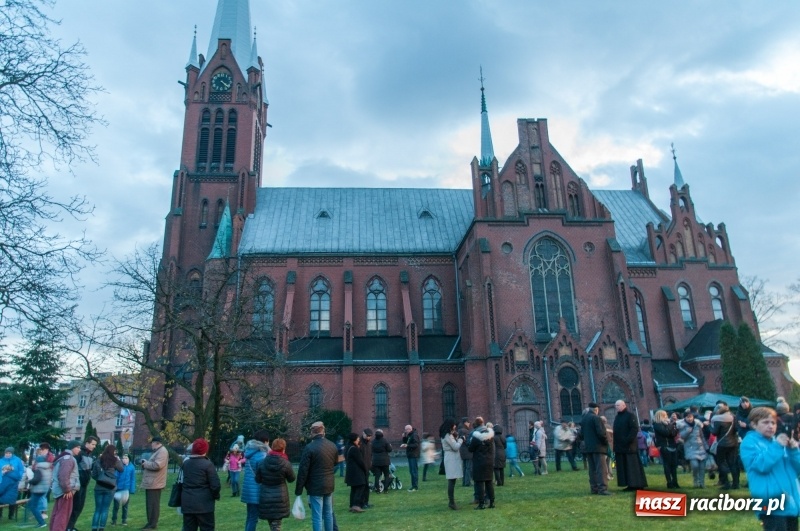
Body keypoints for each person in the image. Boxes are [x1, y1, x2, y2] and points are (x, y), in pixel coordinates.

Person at [741, 407, 800, 531]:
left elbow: (797, 468)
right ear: (753, 424)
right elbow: (761, 465)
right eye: (765, 422)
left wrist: (794, 451)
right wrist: (777, 446)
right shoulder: (749, 443)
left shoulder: (777, 442)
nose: (770, 426)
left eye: (773, 423)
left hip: (790, 501)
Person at [295, 421, 338, 531]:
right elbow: (335, 463)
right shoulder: (332, 445)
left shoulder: (309, 448)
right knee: (328, 513)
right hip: (329, 484)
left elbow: (303, 471)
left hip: (315, 486)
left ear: (312, 432)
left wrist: (298, 490)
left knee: (317, 516)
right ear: (323, 431)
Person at [255, 438, 295, 531]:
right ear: (283, 449)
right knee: (276, 524)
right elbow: (291, 479)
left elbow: (257, 479)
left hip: (266, 496)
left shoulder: (262, 462)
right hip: (280, 497)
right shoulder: (285, 463)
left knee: (273, 524)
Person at [181, 438, 221, 531]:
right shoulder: (207, 464)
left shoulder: (186, 464)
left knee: (188, 528)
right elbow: (215, 485)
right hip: (204, 504)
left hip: (188, 502)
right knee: (207, 527)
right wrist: (215, 495)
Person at [612, 400, 648, 491]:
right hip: (620, 446)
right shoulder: (617, 417)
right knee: (624, 466)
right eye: (615, 405)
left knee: (632, 466)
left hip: (629, 446)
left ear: (624, 405)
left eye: (618, 405)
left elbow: (634, 429)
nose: (616, 407)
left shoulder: (630, 416)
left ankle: (637, 484)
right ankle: (630, 484)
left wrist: (627, 440)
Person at [67, 435, 98, 531]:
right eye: (93, 444)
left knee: (80, 507)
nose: (94, 446)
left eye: (95, 445)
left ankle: (71, 526)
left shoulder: (90, 455)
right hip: (78, 485)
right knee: (75, 507)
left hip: (84, 485)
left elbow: (89, 469)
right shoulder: (80, 453)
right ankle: (68, 527)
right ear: (87, 443)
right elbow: (73, 468)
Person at [90, 444, 124, 531]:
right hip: (110, 487)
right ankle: (101, 527)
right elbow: (121, 469)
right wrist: (119, 460)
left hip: (99, 486)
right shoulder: (115, 460)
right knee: (105, 508)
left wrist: (100, 479)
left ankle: (94, 527)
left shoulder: (99, 460)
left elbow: (93, 474)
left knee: (97, 509)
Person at [242, 429, 270, 531]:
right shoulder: (262, 454)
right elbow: (263, 473)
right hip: (256, 489)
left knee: (250, 516)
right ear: (265, 441)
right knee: (253, 518)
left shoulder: (250, 451)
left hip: (248, 489)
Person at [50, 441, 82, 531]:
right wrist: (67, 490)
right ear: (72, 447)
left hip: (61, 490)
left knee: (57, 514)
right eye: (78, 447)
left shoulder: (64, 457)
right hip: (65, 492)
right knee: (62, 516)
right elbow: (63, 476)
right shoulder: (68, 459)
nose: (79, 450)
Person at [580, 402, 611, 496]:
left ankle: (594, 488)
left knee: (592, 469)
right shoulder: (596, 418)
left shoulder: (584, 419)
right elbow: (601, 433)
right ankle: (603, 489)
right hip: (598, 447)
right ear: (596, 410)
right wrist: (606, 442)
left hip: (589, 447)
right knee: (601, 469)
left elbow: (581, 435)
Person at [140, 435, 169, 530]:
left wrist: (146, 464)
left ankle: (152, 524)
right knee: (151, 504)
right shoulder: (159, 451)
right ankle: (150, 523)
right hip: (153, 482)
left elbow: (157, 465)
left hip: (155, 483)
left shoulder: (162, 451)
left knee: (153, 505)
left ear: (156, 443)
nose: (151, 445)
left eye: (152, 443)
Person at [710, 402, 740, 490]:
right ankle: (735, 484)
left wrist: (709, 427)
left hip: (722, 444)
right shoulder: (733, 417)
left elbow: (715, 432)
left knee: (721, 463)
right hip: (733, 443)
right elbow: (736, 429)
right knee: (732, 463)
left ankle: (726, 483)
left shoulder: (717, 419)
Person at [468, 416, 495, 510]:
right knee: (489, 482)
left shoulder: (475, 436)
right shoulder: (491, 435)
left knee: (479, 483)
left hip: (479, 461)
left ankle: (481, 503)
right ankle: (492, 502)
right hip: (489, 460)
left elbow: (470, 449)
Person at [678, 410, 708, 488]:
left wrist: (706, 447)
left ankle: (702, 483)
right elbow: (682, 436)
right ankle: (695, 480)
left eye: (691, 417)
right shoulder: (682, 426)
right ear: (685, 418)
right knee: (695, 466)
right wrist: (687, 431)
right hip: (690, 448)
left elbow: (702, 436)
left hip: (700, 447)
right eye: (688, 417)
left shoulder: (698, 425)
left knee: (702, 467)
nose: (690, 419)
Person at [439, 419, 463, 510]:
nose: (455, 427)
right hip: (451, 458)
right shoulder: (447, 435)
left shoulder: (447, 435)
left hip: (451, 457)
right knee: (451, 480)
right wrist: (461, 440)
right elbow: (455, 447)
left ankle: (452, 501)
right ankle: (451, 502)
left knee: (452, 480)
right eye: (453, 425)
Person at [653, 410, 680, 488]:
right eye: (665, 415)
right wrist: (671, 426)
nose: (667, 417)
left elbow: (673, 434)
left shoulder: (667, 424)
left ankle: (675, 481)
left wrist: (674, 429)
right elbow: (665, 433)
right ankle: (669, 482)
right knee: (667, 464)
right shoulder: (657, 424)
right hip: (664, 446)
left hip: (672, 445)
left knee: (674, 465)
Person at [28, 450, 53, 528]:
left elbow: (36, 480)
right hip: (44, 489)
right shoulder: (48, 468)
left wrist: (29, 481)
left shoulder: (39, 469)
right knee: (34, 505)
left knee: (32, 506)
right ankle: (41, 520)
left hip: (37, 490)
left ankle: (41, 522)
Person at [344, 433, 367, 513]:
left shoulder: (348, 447)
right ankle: (356, 505)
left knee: (354, 489)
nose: (359, 440)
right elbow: (360, 461)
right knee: (360, 487)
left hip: (351, 472)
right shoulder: (354, 449)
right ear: (354, 439)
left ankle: (352, 505)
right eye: (357, 439)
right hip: (356, 472)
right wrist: (365, 469)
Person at [0, 447, 25, 521]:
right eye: (6, 453)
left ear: (12, 453)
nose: (7, 454)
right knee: (1, 496)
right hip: (2, 481)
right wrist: (2, 473)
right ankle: (0, 515)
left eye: (9, 453)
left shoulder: (17, 460)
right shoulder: (1, 461)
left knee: (11, 498)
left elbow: (21, 470)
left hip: (13, 482)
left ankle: (11, 515)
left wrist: (17, 476)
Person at [111, 454, 135, 527]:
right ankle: (114, 520)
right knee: (116, 506)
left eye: (126, 458)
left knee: (125, 506)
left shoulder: (132, 467)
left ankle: (124, 520)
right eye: (123, 458)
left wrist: (132, 489)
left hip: (126, 489)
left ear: (129, 459)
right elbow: (115, 476)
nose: (124, 459)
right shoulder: (119, 466)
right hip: (118, 489)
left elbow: (132, 479)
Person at [401, 424, 420, 491]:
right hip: (410, 455)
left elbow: (416, 444)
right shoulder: (410, 435)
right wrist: (404, 437)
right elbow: (407, 442)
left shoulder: (414, 435)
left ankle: (415, 486)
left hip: (414, 455)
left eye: (406, 430)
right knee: (411, 471)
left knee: (414, 471)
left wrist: (407, 445)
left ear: (409, 429)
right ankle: (413, 485)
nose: (405, 431)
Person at [358, 429, 373, 510]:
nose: (368, 438)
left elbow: (370, 455)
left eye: (370, 436)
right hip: (361, 468)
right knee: (362, 487)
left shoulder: (369, 444)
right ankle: (361, 503)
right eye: (367, 436)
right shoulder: (360, 443)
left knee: (367, 486)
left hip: (367, 468)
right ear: (363, 434)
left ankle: (366, 502)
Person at [458, 418, 473, 487]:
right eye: (468, 422)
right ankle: (467, 482)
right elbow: (467, 441)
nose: (469, 424)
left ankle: (464, 482)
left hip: (462, 451)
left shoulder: (459, 430)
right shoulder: (466, 431)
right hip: (467, 451)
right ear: (465, 423)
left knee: (464, 467)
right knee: (468, 467)